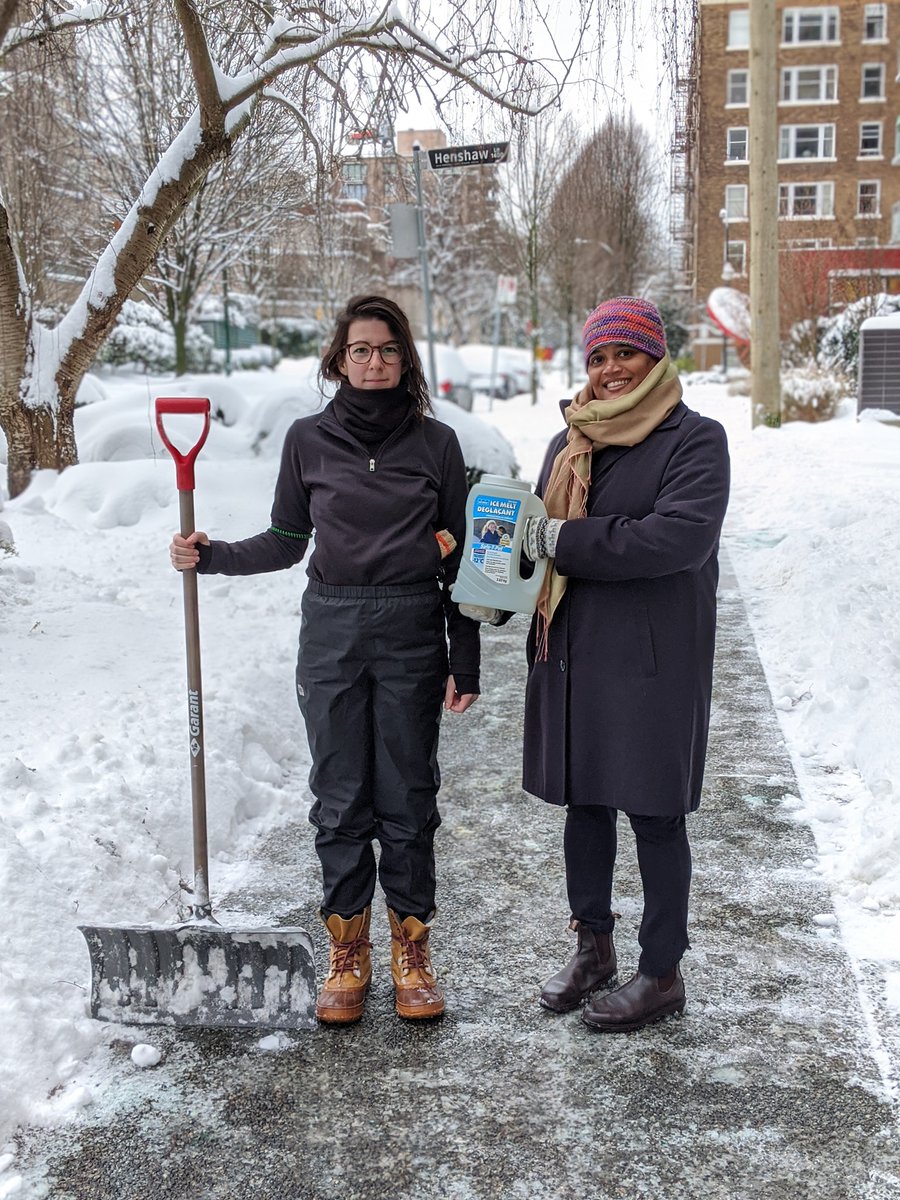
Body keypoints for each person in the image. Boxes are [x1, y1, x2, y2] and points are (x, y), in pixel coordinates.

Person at [169, 295, 480, 1025]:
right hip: (333, 631)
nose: (374, 362)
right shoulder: (308, 440)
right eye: (360, 350)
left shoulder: (437, 444)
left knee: (408, 797)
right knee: (340, 799)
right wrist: (212, 556)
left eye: (388, 349)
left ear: (406, 359)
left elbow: (462, 560)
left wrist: (462, 657)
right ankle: (348, 952)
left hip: (411, 628)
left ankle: (412, 952)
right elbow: (286, 539)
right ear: (339, 359)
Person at [520, 296, 730, 1032]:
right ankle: (593, 949)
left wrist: (563, 541)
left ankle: (662, 971)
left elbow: (677, 540)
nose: (611, 369)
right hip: (573, 650)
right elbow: (532, 532)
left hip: (650, 655)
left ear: (656, 357)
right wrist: (495, 559)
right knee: (585, 803)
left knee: (655, 813)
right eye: (599, 357)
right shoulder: (569, 441)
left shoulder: (694, 440)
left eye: (626, 353)